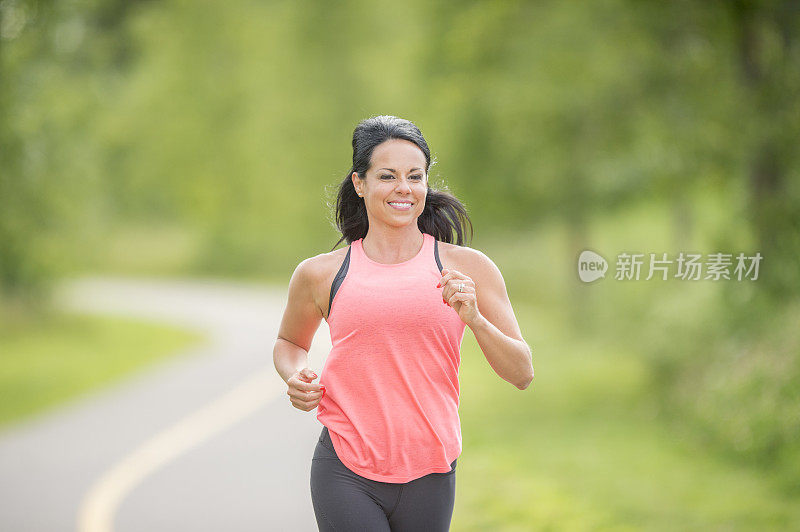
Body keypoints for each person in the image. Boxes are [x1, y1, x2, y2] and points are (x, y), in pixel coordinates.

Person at [273, 115, 534, 531]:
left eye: (415, 176)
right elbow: (290, 341)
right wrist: (295, 375)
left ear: (427, 183)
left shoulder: (468, 268)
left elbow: (522, 373)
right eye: (388, 176)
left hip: (431, 470)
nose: (404, 188)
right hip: (345, 468)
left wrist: (476, 320)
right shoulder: (321, 274)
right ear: (360, 183)